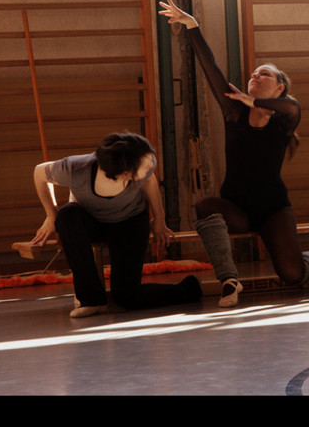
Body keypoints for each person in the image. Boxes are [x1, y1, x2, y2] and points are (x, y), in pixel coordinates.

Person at [158, 0, 309, 308]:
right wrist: (192, 25)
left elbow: (294, 107)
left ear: (279, 89)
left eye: (264, 74)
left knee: (292, 275)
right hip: (238, 209)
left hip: (273, 210)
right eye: (253, 74)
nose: (255, 77)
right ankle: (229, 279)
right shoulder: (234, 112)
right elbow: (210, 68)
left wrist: (254, 101)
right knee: (204, 205)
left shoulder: (284, 121)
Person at [31, 131, 202, 318]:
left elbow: (149, 181)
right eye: (144, 164)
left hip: (129, 222)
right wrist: (51, 215)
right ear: (125, 173)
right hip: (92, 221)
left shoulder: (146, 163)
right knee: (66, 215)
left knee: (126, 297)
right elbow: (40, 172)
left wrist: (159, 219)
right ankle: (92, 300)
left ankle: (188, 288)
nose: (150, 164)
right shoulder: (76, 168)